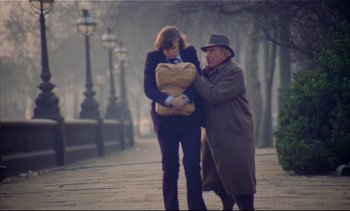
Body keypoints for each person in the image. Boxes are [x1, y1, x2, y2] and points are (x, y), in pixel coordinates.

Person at [143, 25, 207, 210]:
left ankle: (196, 207)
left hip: (190, 120)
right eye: (166, 48)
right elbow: (148, 88)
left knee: (192, 165)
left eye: (173, 47)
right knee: (170, 167)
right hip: (165, 122)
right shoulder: (152, 57)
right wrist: (170, 100)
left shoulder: (190, 53)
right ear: (160, 47)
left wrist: (185, 98)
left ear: (180, 44)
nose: (170, 52)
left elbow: (198, 82)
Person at [193, 33, 256, 210]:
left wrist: (196, 78)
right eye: (206, 51)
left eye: (212, 51)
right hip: (213, 136)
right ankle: (227, 204)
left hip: (235, 135)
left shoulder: (234, 72)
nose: (207, 55)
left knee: (240, 181)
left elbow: (215, 95)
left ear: (225, 53)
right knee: (212, 179)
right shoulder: (206, 74)